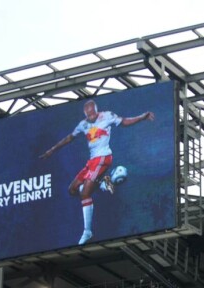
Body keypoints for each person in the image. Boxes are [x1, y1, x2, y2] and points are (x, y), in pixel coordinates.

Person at [40, 99, 155, 245]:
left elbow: (124, 121)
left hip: (103, 158)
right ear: (85, 114)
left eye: (93, 113)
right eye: (88, 114)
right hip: (91, 161)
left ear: (96, 110)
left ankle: (87, 231)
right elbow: (70, 137)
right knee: (73, 190)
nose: (91, 116)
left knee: (85, 193)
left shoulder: (107, 116)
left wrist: (142, 117)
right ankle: (104, 183)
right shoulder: (83, 124)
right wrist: (51, 150)